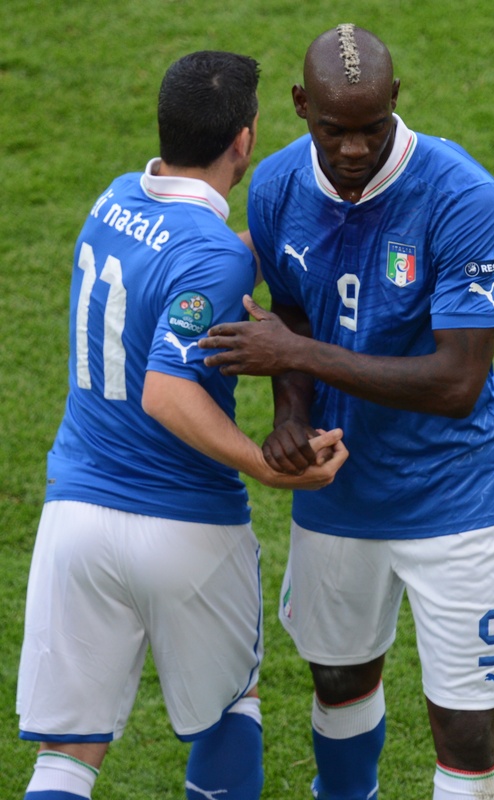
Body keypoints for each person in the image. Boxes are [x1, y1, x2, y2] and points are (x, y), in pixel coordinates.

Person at [198, 25, 494, 800]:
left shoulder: (463, 195)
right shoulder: (278, 186)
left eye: (371, 128)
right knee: (339, 680)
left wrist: (296, 359)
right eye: (333, 129)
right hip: (340, 490)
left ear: (397, 103)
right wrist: (290, 419)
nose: (352, 148)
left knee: (468, 728)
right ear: (300, 106)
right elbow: (295, 315)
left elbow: (457, 382)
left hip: (457, 497)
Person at [16, 50, 348, 800]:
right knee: (231, 714)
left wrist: (253, 254)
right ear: (245, 139)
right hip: (184, 528)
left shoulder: (112, 203)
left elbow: (178, 276)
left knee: (67, 755)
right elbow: (168, 393)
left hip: (76, 522)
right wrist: (264, 465)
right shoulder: (209, 260)